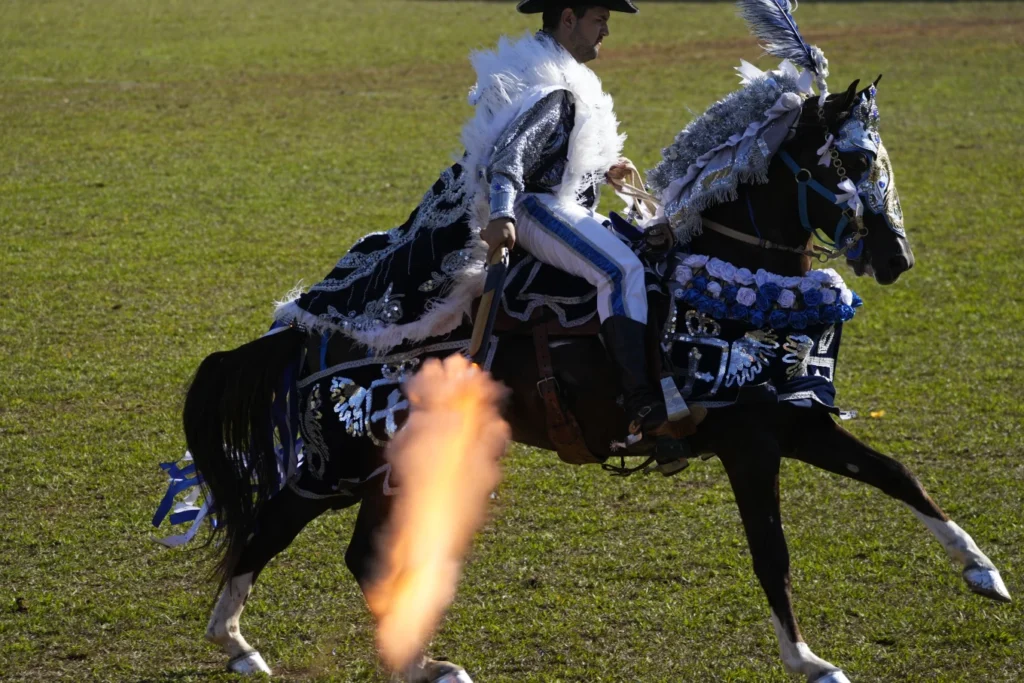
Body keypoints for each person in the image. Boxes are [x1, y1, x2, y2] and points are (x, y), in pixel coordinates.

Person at [475, 0, 669, 440]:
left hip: (560, 203)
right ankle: (639, 399)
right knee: (622, 271)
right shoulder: (553, 89)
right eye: (600, 20)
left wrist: (603, 170)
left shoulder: (561, 74)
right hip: (532, 206)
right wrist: (503, 213)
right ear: (568, 18)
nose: (606, 32)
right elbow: (509, 159)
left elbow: (557, 155)